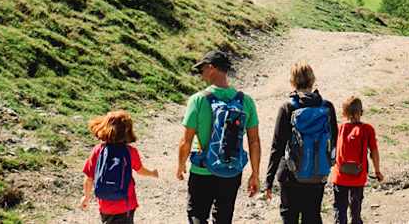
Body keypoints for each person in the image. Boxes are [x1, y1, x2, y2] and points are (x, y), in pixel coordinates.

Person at [178, 49, 263, 224]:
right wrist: (255, 173)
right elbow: (254, 141)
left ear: (211, 68)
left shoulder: (198, 100)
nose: (201, 74)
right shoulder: (245, 101)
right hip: (231, 170)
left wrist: (180, 165)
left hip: (202, 169)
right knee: (224, 217)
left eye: (202, 69)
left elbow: (186, 141)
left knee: (197, 214)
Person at [263, 63, 337, 224]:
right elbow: (334, 141)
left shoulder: (288, 107)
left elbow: (277, 146)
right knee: (313, 216)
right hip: (317, 173)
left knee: (290, 216)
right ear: (312, 79)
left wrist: (268, 181)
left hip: (291, 175)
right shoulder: (327, 107)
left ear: (292, 81)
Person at [81, 110, 159, 224]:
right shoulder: (130, 152)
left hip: (105, 204)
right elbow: (140, 170)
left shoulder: (98, 150)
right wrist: (152, 173)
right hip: (126, 204)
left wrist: (86, 197)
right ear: (127, 131)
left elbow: (89, 178)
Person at [331, 97, 382, 224]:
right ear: (361, 112)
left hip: (340, 177)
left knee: (340, 209)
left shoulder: (339, 128)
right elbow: (374, 152)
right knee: (356, 209)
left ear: (344, 113)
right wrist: (377, 171)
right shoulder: (368, 129)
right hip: (358, 177)